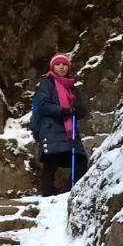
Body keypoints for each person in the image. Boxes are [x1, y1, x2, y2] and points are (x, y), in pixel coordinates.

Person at [31, 53, 90, 197]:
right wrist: (64, 110)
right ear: (53, 67)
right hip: (51, 128)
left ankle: (72, 192)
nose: (61, 67)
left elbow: (82, 110)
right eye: (58, 64)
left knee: (80, 160)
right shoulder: (47, 84)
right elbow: (43, 105)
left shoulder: (72, 87)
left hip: (69, 131)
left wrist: (78, 109)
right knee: (51, 161)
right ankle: (47, 194)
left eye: (64, 64)